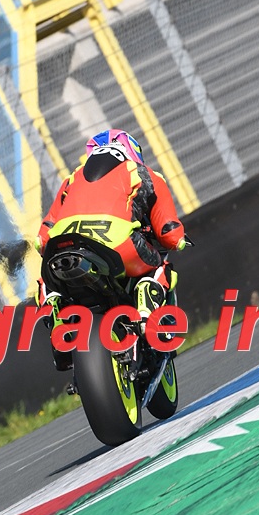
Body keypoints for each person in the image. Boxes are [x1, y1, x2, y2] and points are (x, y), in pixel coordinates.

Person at [35, 128, 187, 367]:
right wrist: (179, 240)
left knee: (47, 279)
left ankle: (55, 311)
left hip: (63, 246)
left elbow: (42, 238)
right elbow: (170, 233)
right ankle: (146, 305)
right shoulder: (144, 174)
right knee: (160, 266)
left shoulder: (72, 178)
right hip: (118, 244)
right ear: (131, 151)